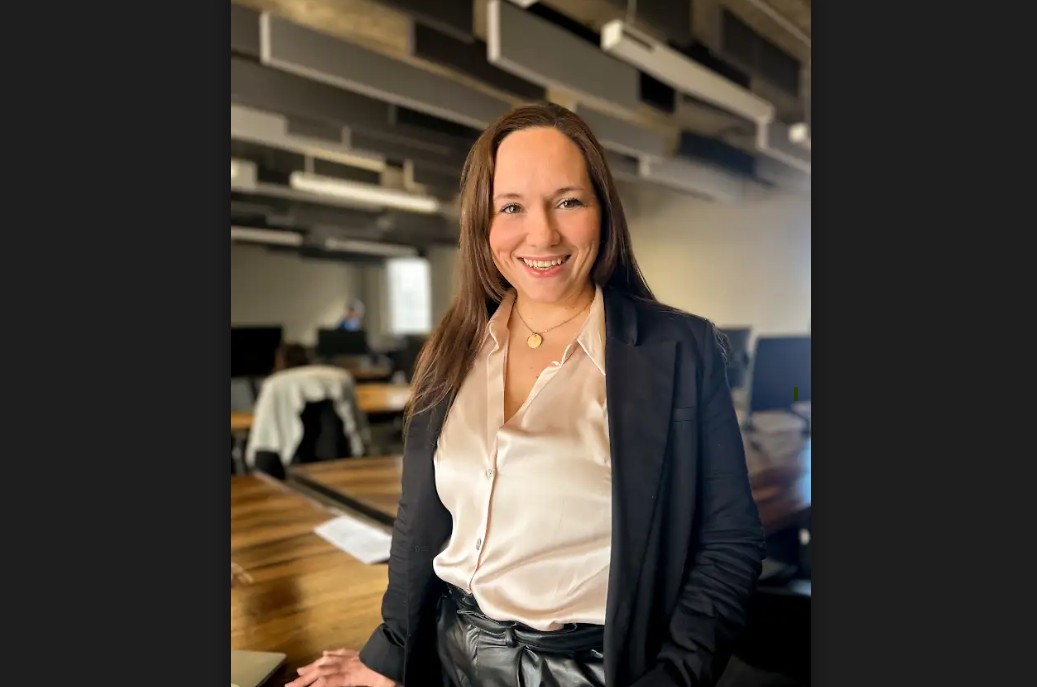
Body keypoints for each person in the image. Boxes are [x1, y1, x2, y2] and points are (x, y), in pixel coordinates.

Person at [288, 102, 764, 687]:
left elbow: (728, 541)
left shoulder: (680, 349)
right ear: (482, 225)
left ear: (603, 211)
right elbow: (419, 524)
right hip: (448, 657)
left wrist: (674, 678)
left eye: (568, 202)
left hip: (589, 670)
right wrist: (389, 654)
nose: (543, 234)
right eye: (511, 207)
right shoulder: (453, 348)